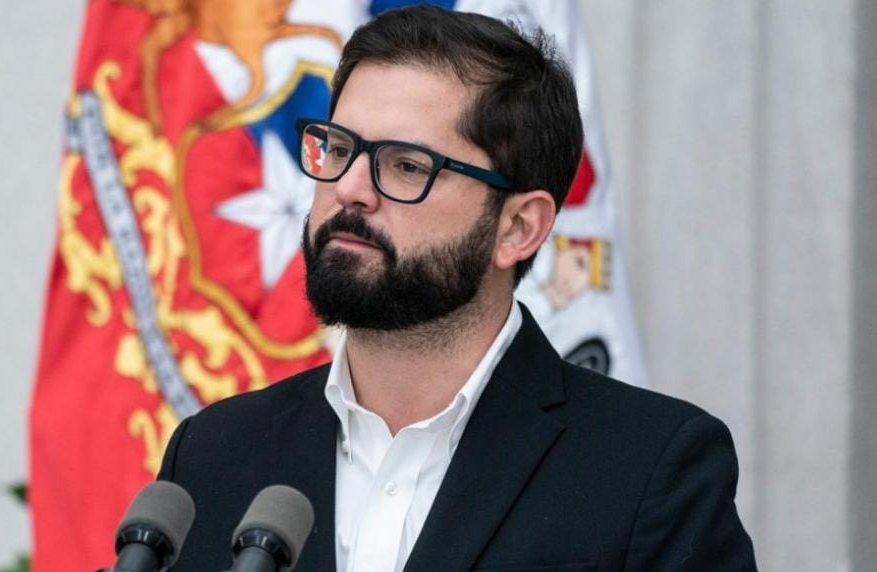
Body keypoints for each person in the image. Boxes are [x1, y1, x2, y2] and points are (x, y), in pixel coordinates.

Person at [158, 5, 757, 571]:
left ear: (518, 228)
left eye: (406, 166)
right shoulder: (213, 453)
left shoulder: (650, 469)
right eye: (338, 149)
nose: (349, 190)